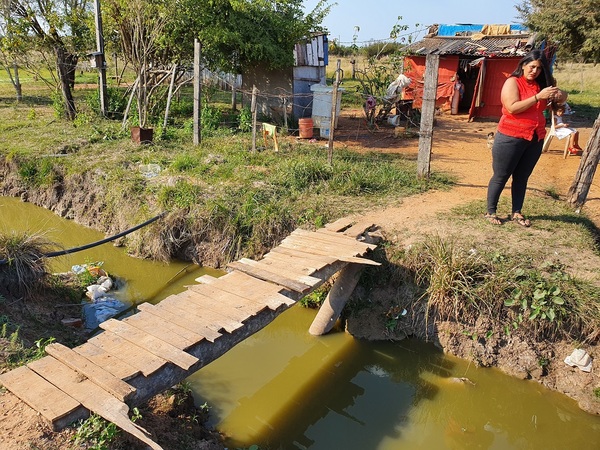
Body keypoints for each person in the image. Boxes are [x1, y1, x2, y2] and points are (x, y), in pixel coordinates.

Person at [485, 50, 567, 227]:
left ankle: (516, 212)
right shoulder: (512, 82)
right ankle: (490, 212)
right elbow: (512, 107)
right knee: (501, 175)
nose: (534, 71)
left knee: (522, 177)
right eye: (531, 67)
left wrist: (560, 95)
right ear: (523, 65)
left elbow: (562, 97)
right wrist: (538, 97)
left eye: (538, 68)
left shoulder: (541, 85)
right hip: (510, 136)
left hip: (535, 137)